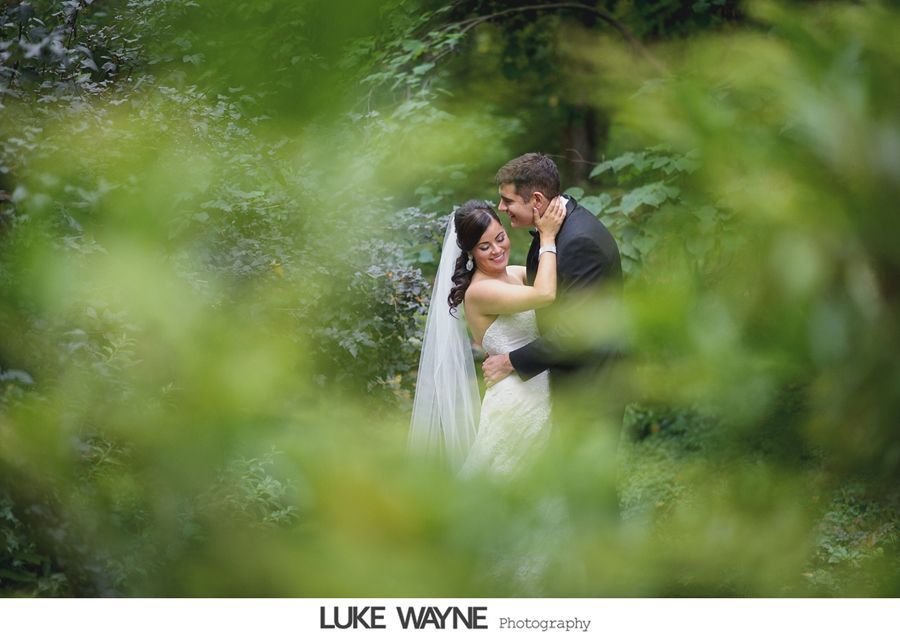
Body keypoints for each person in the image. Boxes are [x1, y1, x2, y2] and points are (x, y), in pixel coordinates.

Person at [409, 197, 566, 475]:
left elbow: (552, 279)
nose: (497, 250)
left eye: (500, 238)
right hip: (517, 403)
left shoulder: (515, 275)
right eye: (484, 247)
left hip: (539, 390)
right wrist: (548, 236)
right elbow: (545, 293)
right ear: (470, 252)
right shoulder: (481, 292)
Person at [484, 153, 623, 394]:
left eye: (508, 201)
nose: (501, 207)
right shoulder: (551, 224)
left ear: (537, 200)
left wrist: (510, 362)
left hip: (589, 391)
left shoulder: (580, 242)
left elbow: (575, 331)